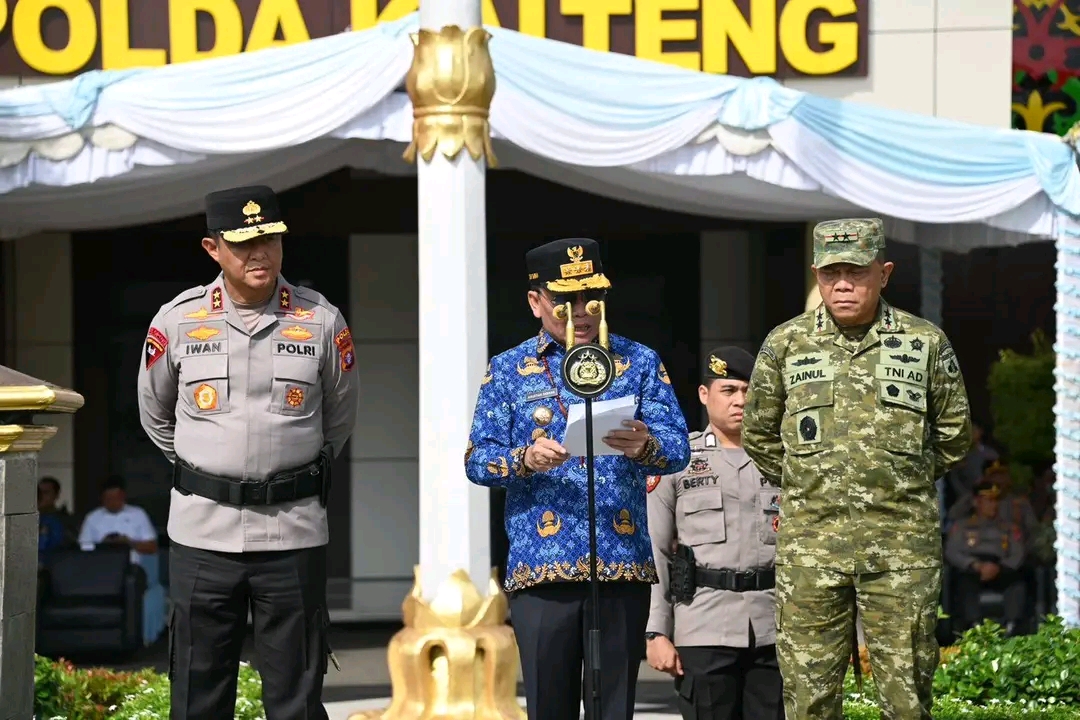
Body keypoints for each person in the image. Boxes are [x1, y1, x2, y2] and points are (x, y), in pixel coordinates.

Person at [137, 185, 361, 720]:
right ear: (213, 249)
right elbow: (155, 416)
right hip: (203, 533)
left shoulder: (322, 320)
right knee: (198, 692)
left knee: (297, 697)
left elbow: (340, 419)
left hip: (293, 531)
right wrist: (213, 473)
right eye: (243, 243)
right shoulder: (178, 320)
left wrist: (282, 473)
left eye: (270, 239)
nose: (259, 253)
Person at [741, 218, 972, 720]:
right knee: (808, 699)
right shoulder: (785, 344)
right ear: (816, 275)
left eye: (856, 272)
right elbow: (758, 434)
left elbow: (954, 436)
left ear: (884, 273)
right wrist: (812, 483)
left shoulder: (925, 342)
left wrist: (897, 480)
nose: (842, 284)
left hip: (900, 549)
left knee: (907, 698)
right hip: (811, 550)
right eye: (831, 273)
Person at [465, 237, 691, 720]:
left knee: (613, 709)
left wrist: (645, 446)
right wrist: (525, 458)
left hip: (620, 564)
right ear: (535, 301)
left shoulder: (639, 362)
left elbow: (678, 450)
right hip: (542, 570)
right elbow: (477, 461)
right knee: (550, 705)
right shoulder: (508, 370)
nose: (580, 312)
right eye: (563, 300)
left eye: (592, 298)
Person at [645, 346, 784, 720]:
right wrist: (656, 631)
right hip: (703, 622)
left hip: (774, 625)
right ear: (705, 395)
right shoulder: (677, 460)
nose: (740, 400)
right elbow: (655, 550)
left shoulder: (784, 460)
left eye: (748, 391)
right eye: (729, 390)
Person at [944, 480, 1025, 634]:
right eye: (988, 500)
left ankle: (1011, 626)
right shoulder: (962, 526)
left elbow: (1017, 553)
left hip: (1000, 567)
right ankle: (974, 627)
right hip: (973, 567)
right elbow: (952, 551)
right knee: (964, 583)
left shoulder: (1008, 527)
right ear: (976, 502)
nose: (993, 505)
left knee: (1016, 583)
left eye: (996, 501)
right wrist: (975, 565)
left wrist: (999, 567)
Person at [77, 475, 158, 566]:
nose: (112, 503)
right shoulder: (92, 517)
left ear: (123, 496)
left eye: (116, 498)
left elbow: (152, 547)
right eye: (108, 499)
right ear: (102, 498)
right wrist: (102, 545)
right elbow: (82, 549)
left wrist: (129, 543)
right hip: (100, 567)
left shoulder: (138, 514)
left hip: (131, 566)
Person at [37, 476, 70, 563]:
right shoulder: (26, 518)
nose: (41, 496)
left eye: (45, 492)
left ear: (56, 495)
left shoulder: (63, 520)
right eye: (39, 493)